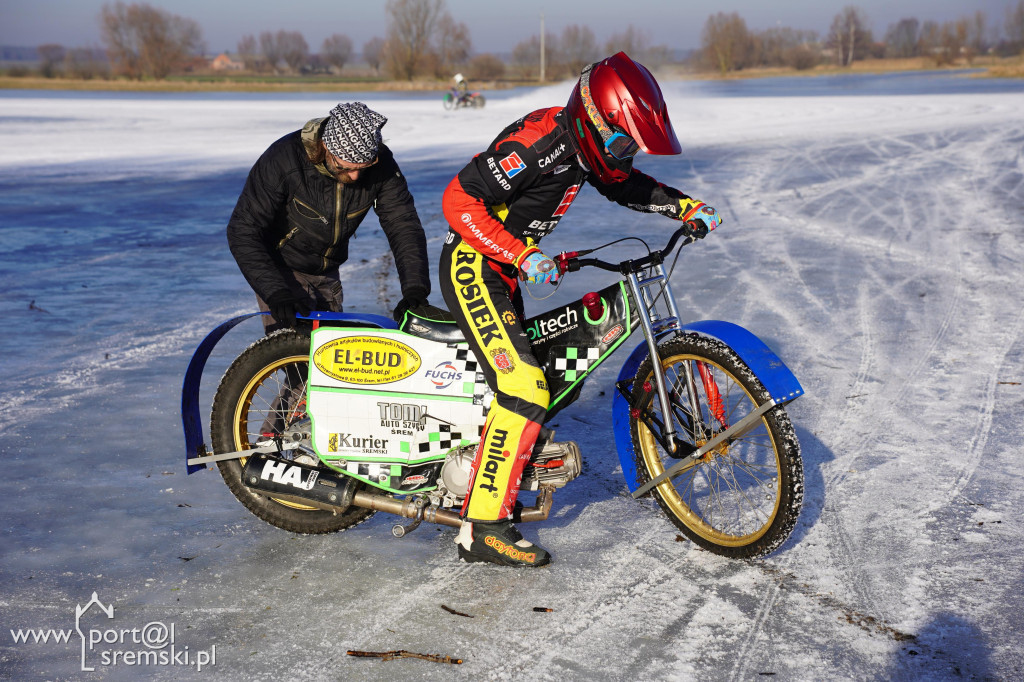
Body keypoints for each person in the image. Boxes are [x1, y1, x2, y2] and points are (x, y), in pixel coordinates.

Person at [439, 52, 722, 567]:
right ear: (594, 119)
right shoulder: (540, 144)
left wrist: (683, 206)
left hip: (508, 268)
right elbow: (459, 201)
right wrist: (522, 252)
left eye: (632, 146)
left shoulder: (588, 153)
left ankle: (485, 467)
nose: (625, 154)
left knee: (532, 383)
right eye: (622, 142)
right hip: (474, 265)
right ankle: (481, 526)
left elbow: (624, 185)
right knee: (525, 386)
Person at [227, 102, 431, 333]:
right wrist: (275, 291)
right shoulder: (284, 160)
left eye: (362, 168)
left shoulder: (381, 165)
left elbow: (402, 223)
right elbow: (244, 229)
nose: (354, 176)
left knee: (330, 358)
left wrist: (415, 289)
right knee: (297, 360)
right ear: (326, 147)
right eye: (345, 167)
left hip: (327, 275)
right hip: (281, 270)